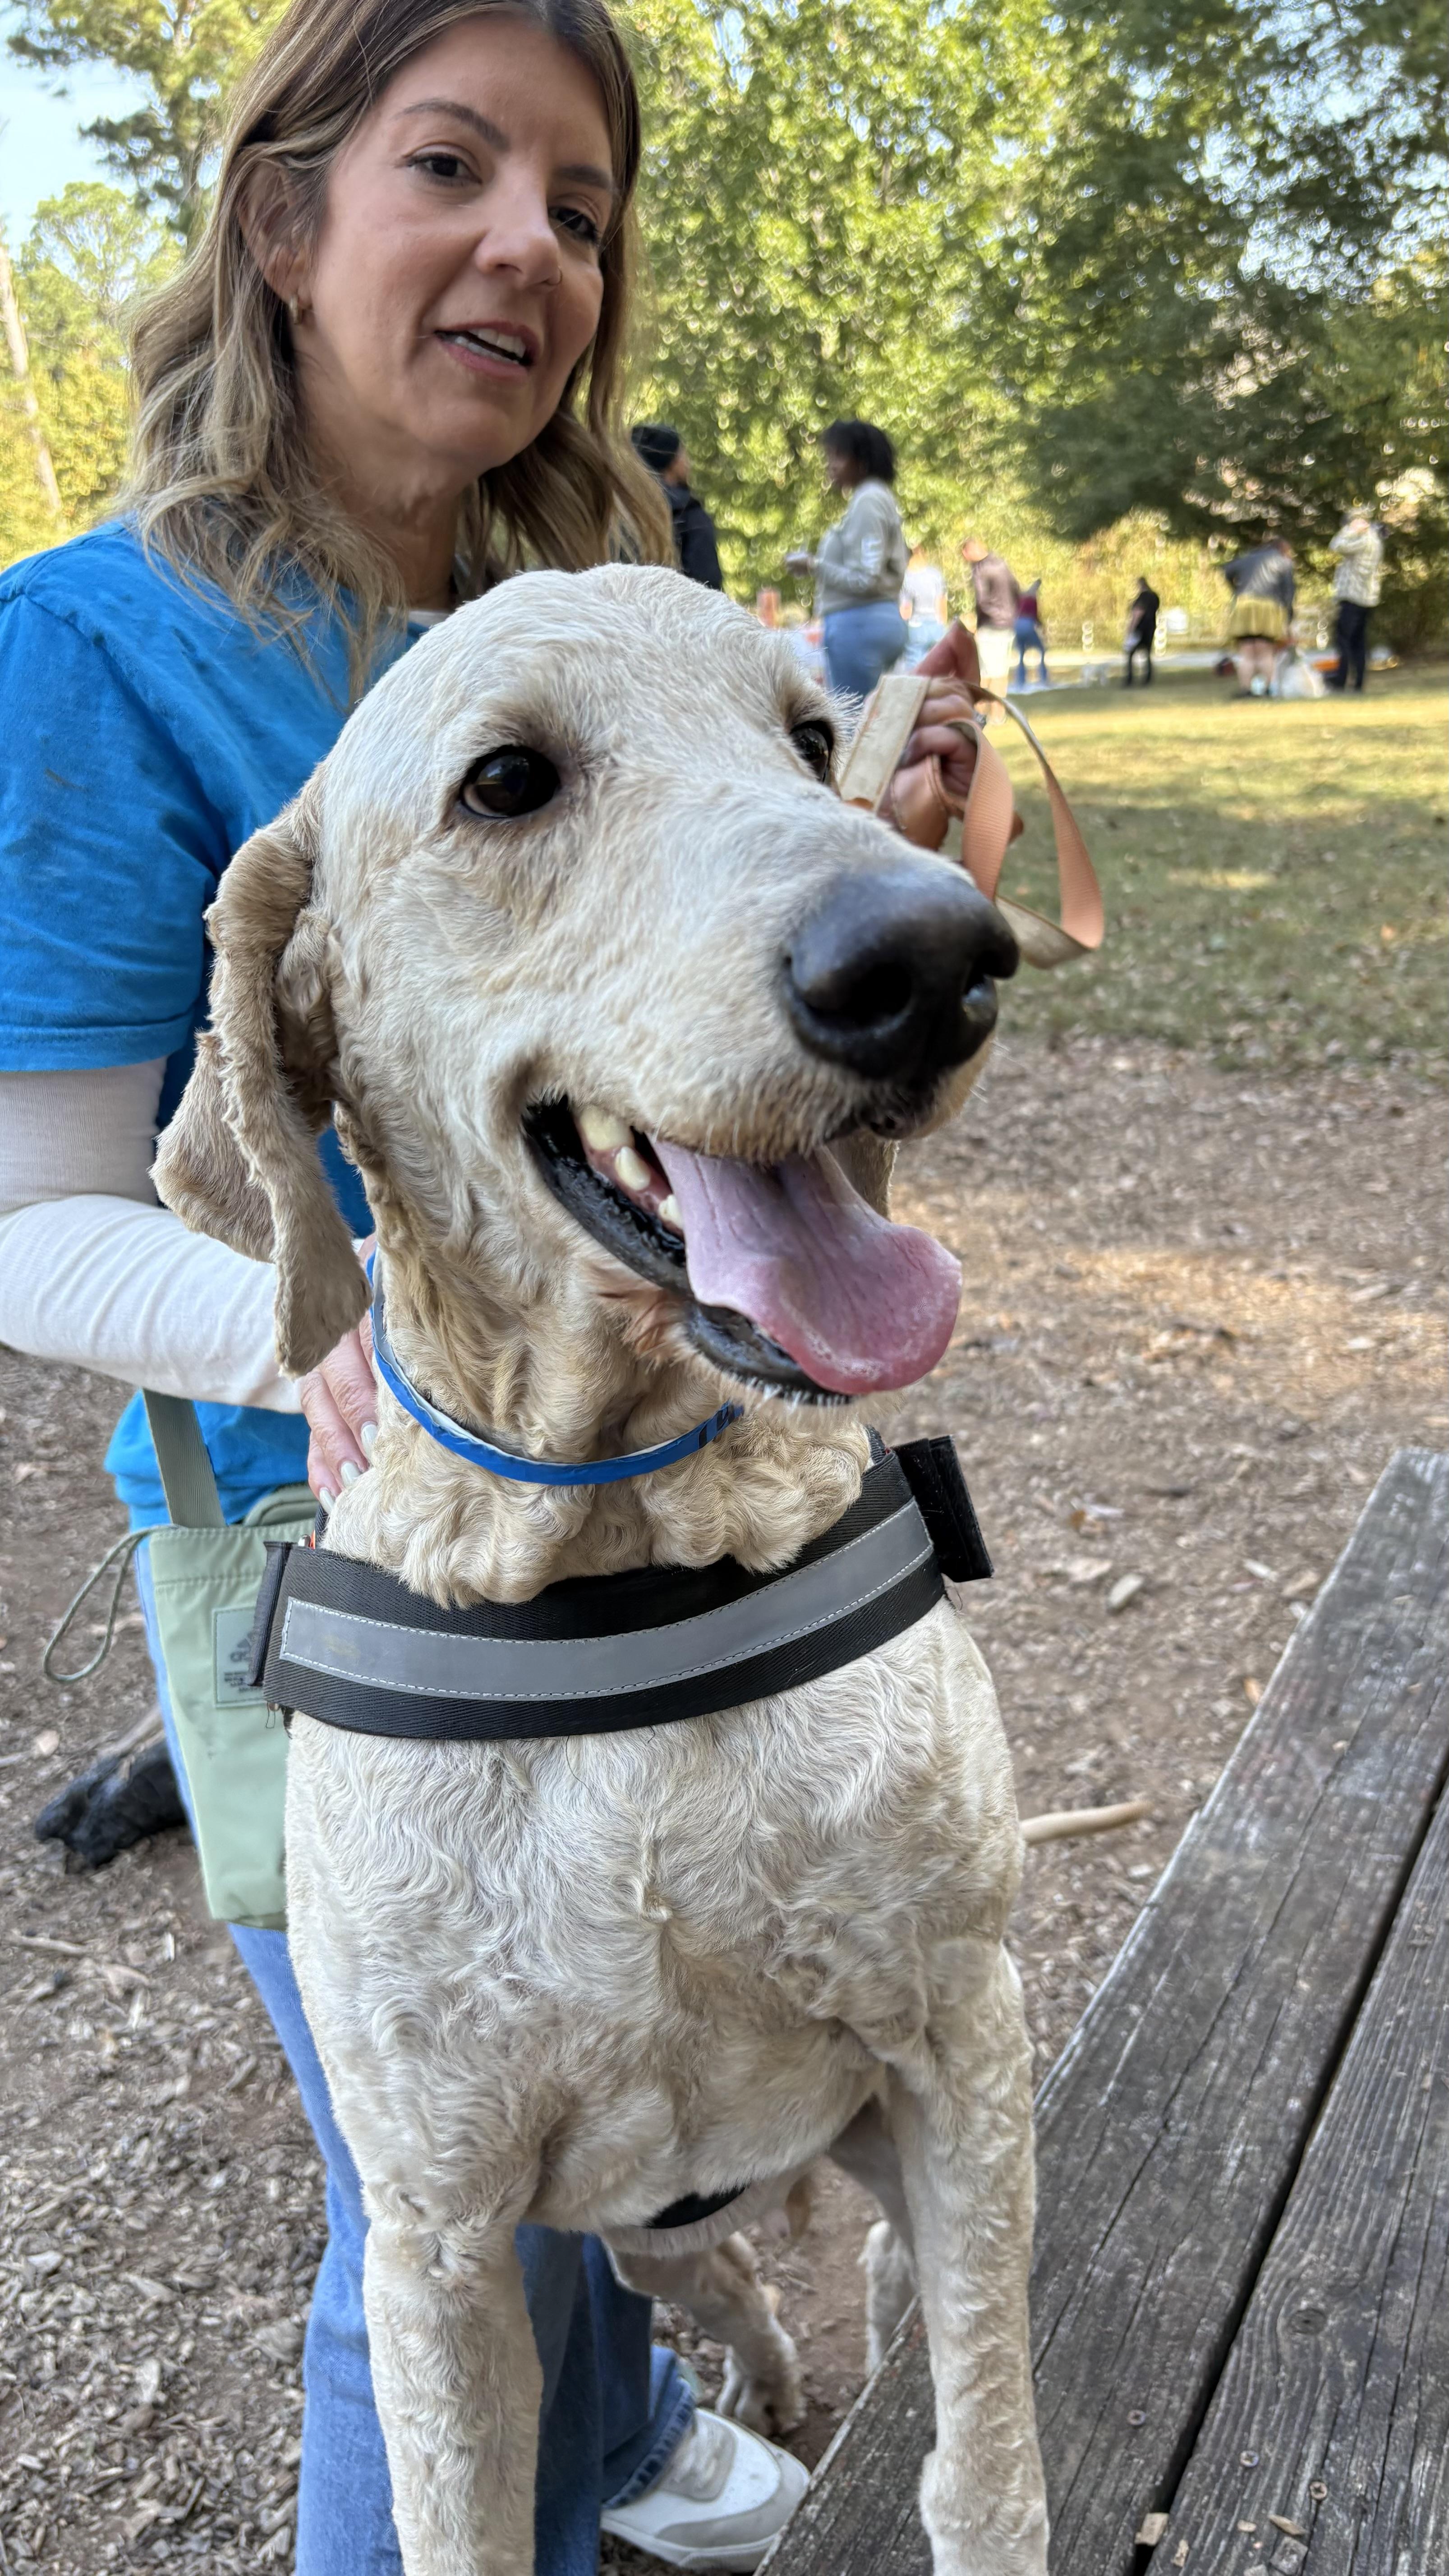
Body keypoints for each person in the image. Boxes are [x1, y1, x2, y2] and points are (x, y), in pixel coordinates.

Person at [0, 3, 813, 2567]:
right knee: (434, 2222)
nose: (529, 249)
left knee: (602, 2116)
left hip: (657, 1518)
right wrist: (319, 1336)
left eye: (580, 206)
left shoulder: (618, 607)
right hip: (331, 1571)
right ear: (279, 223)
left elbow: (673, 1068)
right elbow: (30, 1225)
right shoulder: (83, 656)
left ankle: (625, 2445)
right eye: (452, 167)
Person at [783, 416, 908, 699]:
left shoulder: (868, 501)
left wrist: (814, 566)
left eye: (838, 457)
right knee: (876, 721)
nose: (831, 466)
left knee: (854, 725)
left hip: (859, 625)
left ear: (861, 460)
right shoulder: (878, 497)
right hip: (876, 620)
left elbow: (866, 577)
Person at [630, 419, 723, 589]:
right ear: (671, 461)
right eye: (682, 454)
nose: (688, 462)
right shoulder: (690, 514)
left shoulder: (625, 514)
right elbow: (708, 584)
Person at [1221, 537, 1295, 696]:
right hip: (1269, 607)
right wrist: (1288, 616)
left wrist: (1235, 588)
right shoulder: (1284, 563)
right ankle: (1268, 689)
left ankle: (1246, 689)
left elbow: (1227, 571)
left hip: (1245, 605)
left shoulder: (1248, 558)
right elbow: (1288, 593)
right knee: (1265, 652)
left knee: (1247, 653)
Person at [1327, 508, 1383, 693]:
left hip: (1354, 596)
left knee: (1344, 640)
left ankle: (1341, 680)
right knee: (1359, 642)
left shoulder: (1363, 539)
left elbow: (1336, 546)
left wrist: (1351, 530)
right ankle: (1358, 682)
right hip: (1366, 597)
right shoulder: (1375, 540)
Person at [959, 535, 1019, 702]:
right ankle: (999, 715)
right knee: (1002, 672)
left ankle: (981, 713)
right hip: (1008, 623)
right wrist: (1012, 613)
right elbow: (1016, 589)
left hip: (990, 625)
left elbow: (982, 600)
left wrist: (977, 625)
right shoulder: (1001, 563)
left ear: (969, 551)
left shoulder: (980, 569)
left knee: (985, 674)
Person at [900, 541, 948, 663]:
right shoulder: (936, 575)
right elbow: (941, 602)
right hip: (936, 625)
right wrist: (942, 624)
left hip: (916, 626)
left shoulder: (906, 578)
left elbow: (906, 610)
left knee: (915, 665)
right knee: (935, 665)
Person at [1012, 571, 1048, 689]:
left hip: (1017, 625)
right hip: (1027, 625)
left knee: (1022, 654)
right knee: (1041, 650)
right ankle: (1043, 678)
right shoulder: (1033, 599)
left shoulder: (1021, 598)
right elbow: (1035, 616)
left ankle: (1021, 681)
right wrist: (1043, 628)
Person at [1122, 576, 1160, 686]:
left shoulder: (1142, 598)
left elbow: (1138, 613)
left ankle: (1129, 679)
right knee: (1147, 653)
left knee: (1130, 653)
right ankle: (1148, 679)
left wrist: (1131, 628)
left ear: (1140, 585)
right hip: (1151, 628)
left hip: (1140, 630)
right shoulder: (1155, 597)